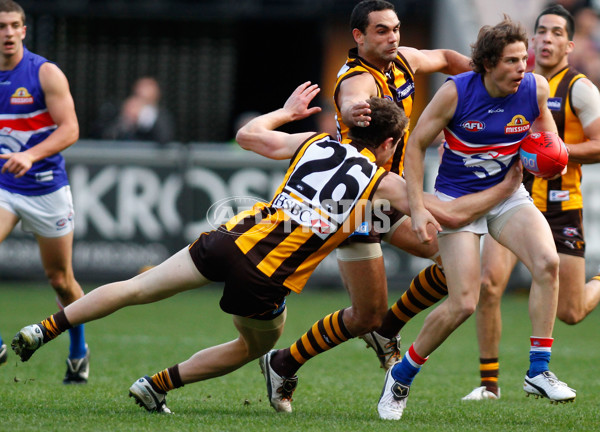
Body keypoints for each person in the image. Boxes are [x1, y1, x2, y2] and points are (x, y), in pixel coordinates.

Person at [11, 81, 521, 414]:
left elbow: (247, 135)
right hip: (266, 275)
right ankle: (156, 386)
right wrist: (507, 184)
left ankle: (43, 327)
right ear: (389, 145)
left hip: (230, 237)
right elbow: (450, 215)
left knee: (135, 287)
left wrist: (286, 110)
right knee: (253, 348)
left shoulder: (315, 143)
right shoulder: (381, 179)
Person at [260, 0, 474, 413]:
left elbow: (446, 57)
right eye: (382, 31)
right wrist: (350, 110)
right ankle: (283, 362)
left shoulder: (404, 61)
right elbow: (351, 99)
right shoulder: (358, 80)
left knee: (457, 263)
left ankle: (389, 328)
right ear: (359, 37)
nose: (393, 37)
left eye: (395, 29)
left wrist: (482, 78)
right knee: (364, 315)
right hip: (357, 203)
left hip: (391, 195)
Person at [379, 16, 577, 421]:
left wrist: (550, 153)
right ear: (487, 64)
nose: (523, 67)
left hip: (508, 194)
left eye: (524, 59)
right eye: (512, 61)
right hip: (458, 199)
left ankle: (538, 371)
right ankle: (401, 375)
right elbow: (415, 147)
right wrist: (418, 208)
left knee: (548, 262)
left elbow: (546, 133)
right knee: (464, 303)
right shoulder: (455, 93)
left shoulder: (535, 87)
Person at [462, 4, 600, 402]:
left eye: (557, 32)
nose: (547, 38)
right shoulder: (513, 81)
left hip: (560, 204)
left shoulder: (579, 87)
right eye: (541, 30)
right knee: (489, 286)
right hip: (513, 200)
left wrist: (553, 152)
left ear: (570, 44)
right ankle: (489, 385)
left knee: (571, 313)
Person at [0, 0, 89, 383]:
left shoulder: (44, 73)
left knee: (60, 279)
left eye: (13, 25)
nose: (7, 33)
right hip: (4, 186)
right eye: (1, 26)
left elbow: (69, 129)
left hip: (45, 186)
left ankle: (79, 349)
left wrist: (31, 155)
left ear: (24, 30)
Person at [101, 76, 175, 144]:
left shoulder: (162, 116)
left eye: (146, 100)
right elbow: (105, 136)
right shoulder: (118, 111)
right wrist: (125, 119)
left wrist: (142, 116)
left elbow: (164, 138)